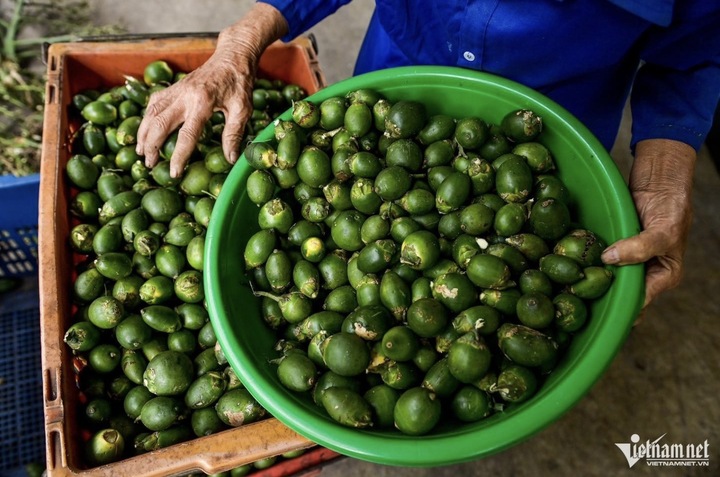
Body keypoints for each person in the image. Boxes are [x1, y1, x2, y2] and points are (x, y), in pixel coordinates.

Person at [135, 0, 720, 311]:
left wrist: (667, 179)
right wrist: (240, 42)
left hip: (554, 132)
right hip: (397, 78)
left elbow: (692, 53)